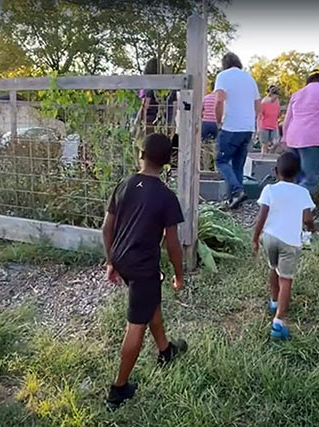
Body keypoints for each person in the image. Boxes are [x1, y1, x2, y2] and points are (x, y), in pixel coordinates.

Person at [102, 133, 188, 410]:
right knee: (135, 325)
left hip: (122, 259)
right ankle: (119, 388)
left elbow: (107, 228)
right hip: (143, 266)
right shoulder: (166, 196)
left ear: (141, 155)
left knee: (149, 302)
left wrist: (111, 261)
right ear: (166, 163)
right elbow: (172, 243)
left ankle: (165, 351)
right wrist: (178, 274)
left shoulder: (124, 184)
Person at [253, 152, 316, 340]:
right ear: (299, 173)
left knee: (273, 268)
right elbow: (307, 219)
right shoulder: (303, 192)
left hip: (269, 238)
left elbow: (261, 216)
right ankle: (278, 324)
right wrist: (312, 228)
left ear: (275, 171)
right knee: (286, 280)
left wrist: (255, 238)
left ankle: (274, 301)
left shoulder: (269, 190)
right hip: (290, 242)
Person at [282, 66, 319, 193]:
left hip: (293, 139)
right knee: (310, 180)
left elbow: (287, 120)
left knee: (296, 178)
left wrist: (284, 139)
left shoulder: (297, 93)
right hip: (313, 139)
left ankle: (286, 207)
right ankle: (300, 210)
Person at [215, 52, 262, 209]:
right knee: (238, 166)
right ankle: (234, 201)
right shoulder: (249, 78)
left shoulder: (223, 76)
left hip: (231, 126)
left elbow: (219, 100)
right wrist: (251, 121)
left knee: (221, 161)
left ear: (224, 63)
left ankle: (237, 191)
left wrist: (218, 121)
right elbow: (258, 105)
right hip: (247, 127)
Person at [257, 85, 281, 154]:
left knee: (276, 142)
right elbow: (259, 115)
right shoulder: (264, 102)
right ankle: (263, 159)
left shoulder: (277, 102)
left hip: (273, 125)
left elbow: (277, 114)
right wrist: (258, 128)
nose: (276, 97)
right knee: (264, 145)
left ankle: (270, 153)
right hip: (264, 125)